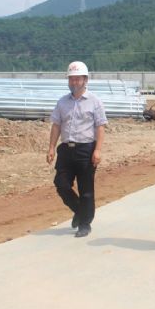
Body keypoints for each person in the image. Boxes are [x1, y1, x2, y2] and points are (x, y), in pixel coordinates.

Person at [47, 61, 107, 238]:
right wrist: (51, 147)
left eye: (77, 79)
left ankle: (85, 224)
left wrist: (98, 150)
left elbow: (100, 127)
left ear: (85, 80)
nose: (74, 82)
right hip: (66, 149)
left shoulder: (94, 101)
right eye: (71, 79)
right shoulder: (62, 102)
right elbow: (56, 125)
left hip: (85, 150)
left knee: (86, 189)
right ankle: (80, 211)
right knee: (61, 184)